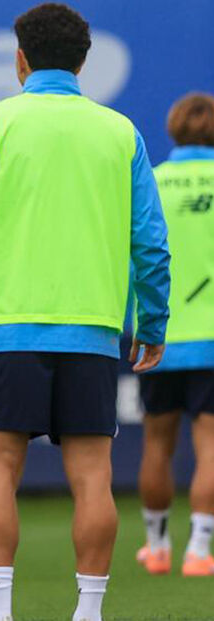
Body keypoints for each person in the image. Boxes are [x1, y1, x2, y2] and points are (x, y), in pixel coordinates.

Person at [0, 4, 170, 621]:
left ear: (20, 58)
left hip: (9, 327)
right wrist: (153, 321)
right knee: (93, 475)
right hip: (91, 330)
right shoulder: (121, 132)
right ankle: (87, 615)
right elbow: (150, 241)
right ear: (84, 61)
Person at [136, 92, 214, 577]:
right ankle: (200, 551)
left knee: (156, 447)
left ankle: (157, 547)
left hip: (158, 334)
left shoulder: (152, 182)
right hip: (211, 337)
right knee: (210, 448)